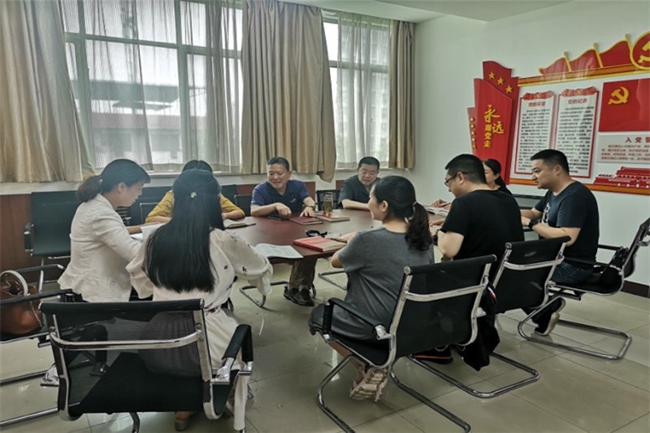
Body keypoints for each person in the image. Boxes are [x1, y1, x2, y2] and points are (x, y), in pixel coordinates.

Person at [128, 169, 272, 432]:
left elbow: (139, 279)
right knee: (229, 340)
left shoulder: (154, 238)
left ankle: (184, 407)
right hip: (210, 344)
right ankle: (224, 394)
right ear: (214, 201)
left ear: (176, 199)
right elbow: (259, 267)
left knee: (194, 351)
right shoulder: (224, 239)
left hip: (158, 345)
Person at [309, 176, 434, 401]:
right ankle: (377, 363)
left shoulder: (367, 239)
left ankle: (366, 365)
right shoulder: (423, 237)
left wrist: (352, 240)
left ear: (383, 205)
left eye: (371, 198)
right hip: (411, 323)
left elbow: (335, 261)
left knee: (319, 315)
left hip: (373, 326)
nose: (368, 203)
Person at [425, 154, 523, 364]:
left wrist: (438, 232)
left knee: (421, 278)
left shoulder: (464, 203)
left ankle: (437, 344)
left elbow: (449, 250)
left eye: (448, 182)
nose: (449, 189)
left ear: (460, 177)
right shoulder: (508, 199)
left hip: (475, 284)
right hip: (506, 281)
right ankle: (459, 333)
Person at [521, 149, 599, 336]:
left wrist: (530, 224)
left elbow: (567, 237)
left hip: (572, 266)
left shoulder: (574, 197)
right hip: (555, 259)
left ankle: (545, 312)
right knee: (510, 266)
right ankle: (547, 307)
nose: (533, 176)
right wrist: (505, 211)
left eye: (537, 171)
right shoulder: (554, 192)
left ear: (557, 169)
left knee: (511, 274)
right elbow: (534, 212)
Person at [58, 159, 151, 302]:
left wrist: (149, 227)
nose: (140, 193)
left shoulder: (94, 205)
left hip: (84, 285)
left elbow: (117, 232)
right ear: (121, 187)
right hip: (91, 294)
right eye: (139, 188)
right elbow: (134, 253)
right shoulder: (101, 214)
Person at [250, 157, 319, 306]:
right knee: (303, 250)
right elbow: (254, 211)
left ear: (289, 173)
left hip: (294, 234)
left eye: (279, 173)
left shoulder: (297, 185)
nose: (275, 177)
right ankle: (297, 288)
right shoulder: (260, 189)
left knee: (310, 248)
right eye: (271, 173)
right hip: (269, 237)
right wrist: (275, 205)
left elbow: (308, 199)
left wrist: (310, 206)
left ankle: (300, 288)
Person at [145, 160, 244, 223]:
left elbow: (239, 212)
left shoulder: (212, 194)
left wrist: (225, 215)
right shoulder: (174, 195)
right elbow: (151, 219)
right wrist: (180, 222)